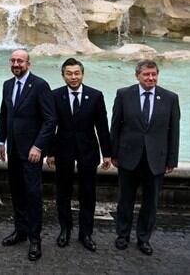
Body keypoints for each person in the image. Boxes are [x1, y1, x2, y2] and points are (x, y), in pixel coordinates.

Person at [111, 59, 180, 256]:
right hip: (128, 157)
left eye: (153, 74)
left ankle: (144, 239)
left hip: (156, 160)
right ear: (137, 76)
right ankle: (122, 235)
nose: (150, 78)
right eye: (146, 75)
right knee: (125, 200)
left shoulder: (170, 98)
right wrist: (113, 153)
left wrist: (172, 160)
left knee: (151, 203)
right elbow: (115, 126)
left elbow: (173, 132)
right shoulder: (124, 94)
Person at [46, 58, 112, 252]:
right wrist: (50, 152)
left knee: (88, 194)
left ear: (82, 74)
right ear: (63, 75)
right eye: (69, 73)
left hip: (88, 150)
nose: (73, 77)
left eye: (77, 73)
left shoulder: (96, 95)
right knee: (63, 193)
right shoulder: (55, 95)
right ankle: (65, 230)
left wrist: (107, 153)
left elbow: (102, 126)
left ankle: (86, 234)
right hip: (63, 150)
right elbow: (51, 126)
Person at [0, 49, 54, 261]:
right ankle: (20, 231)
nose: (16, 64)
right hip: (12, 150)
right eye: (13, 60)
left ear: (28, 64)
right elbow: (4, 113)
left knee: (33, 195)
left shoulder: (40, 85)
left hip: (32, 154)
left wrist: (38, 147)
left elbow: (50, 120)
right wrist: (1, 140)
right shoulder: (8, 85)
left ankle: (35, 239)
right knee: (17, 192)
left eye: (20, 61)